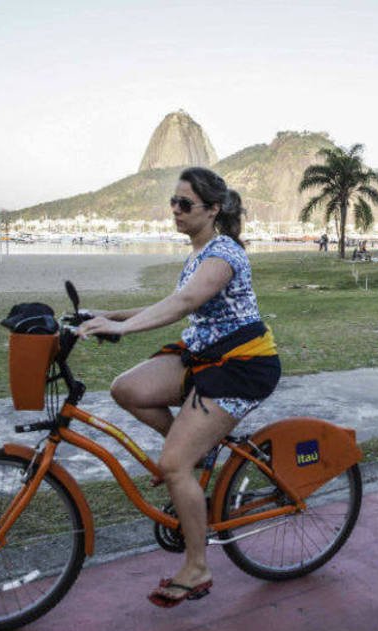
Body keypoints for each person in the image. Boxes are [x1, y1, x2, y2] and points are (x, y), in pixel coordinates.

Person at [77, 167, 281, 607]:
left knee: (172, 465)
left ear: (213, 209)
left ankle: (197, 567)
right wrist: (111, 316)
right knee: (127, 388)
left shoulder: (224, 253)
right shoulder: (199, 251)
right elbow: (174, 303)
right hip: (203, 356)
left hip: (241, 366)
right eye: (172, 201)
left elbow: (185, 302)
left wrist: (126, 328)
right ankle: (193, 452)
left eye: (185, 204)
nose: (175, 210)